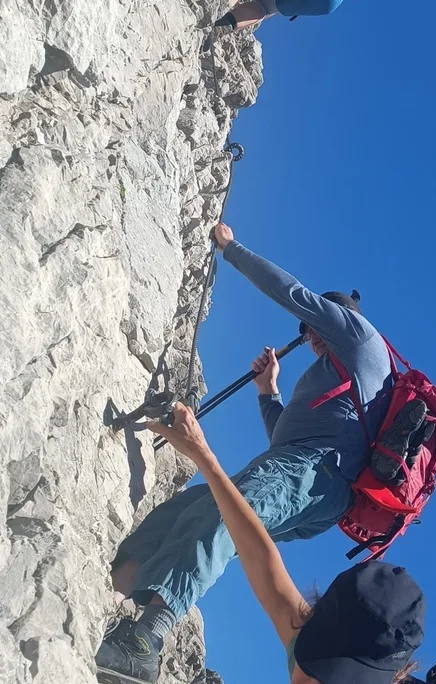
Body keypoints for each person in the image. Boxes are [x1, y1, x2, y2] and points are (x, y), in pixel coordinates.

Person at [95, 221, 398, 682]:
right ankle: (110, 596)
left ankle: (146, 640)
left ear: (333, 319)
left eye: (313, 330)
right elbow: (286, 442)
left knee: (218, 519)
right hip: (303, 473)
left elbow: (291, 292)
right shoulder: (334, 376)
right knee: (185, 510)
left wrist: (230, 249)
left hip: (314, 475)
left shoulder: (358, 336)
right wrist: (267, 392)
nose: (310, 337)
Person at [98, 402, 424, 683]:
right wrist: (201, 452)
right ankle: (108, 601)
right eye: (321, 661)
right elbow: (255, 549)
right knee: (193, 511)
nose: (310, 679)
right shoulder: (306, 634)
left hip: (324, 480)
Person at [211, 0, 346, 36]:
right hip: (283, 5)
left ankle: (221, 4)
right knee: (263, 8)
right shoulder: (334, 5)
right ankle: (227, 24)